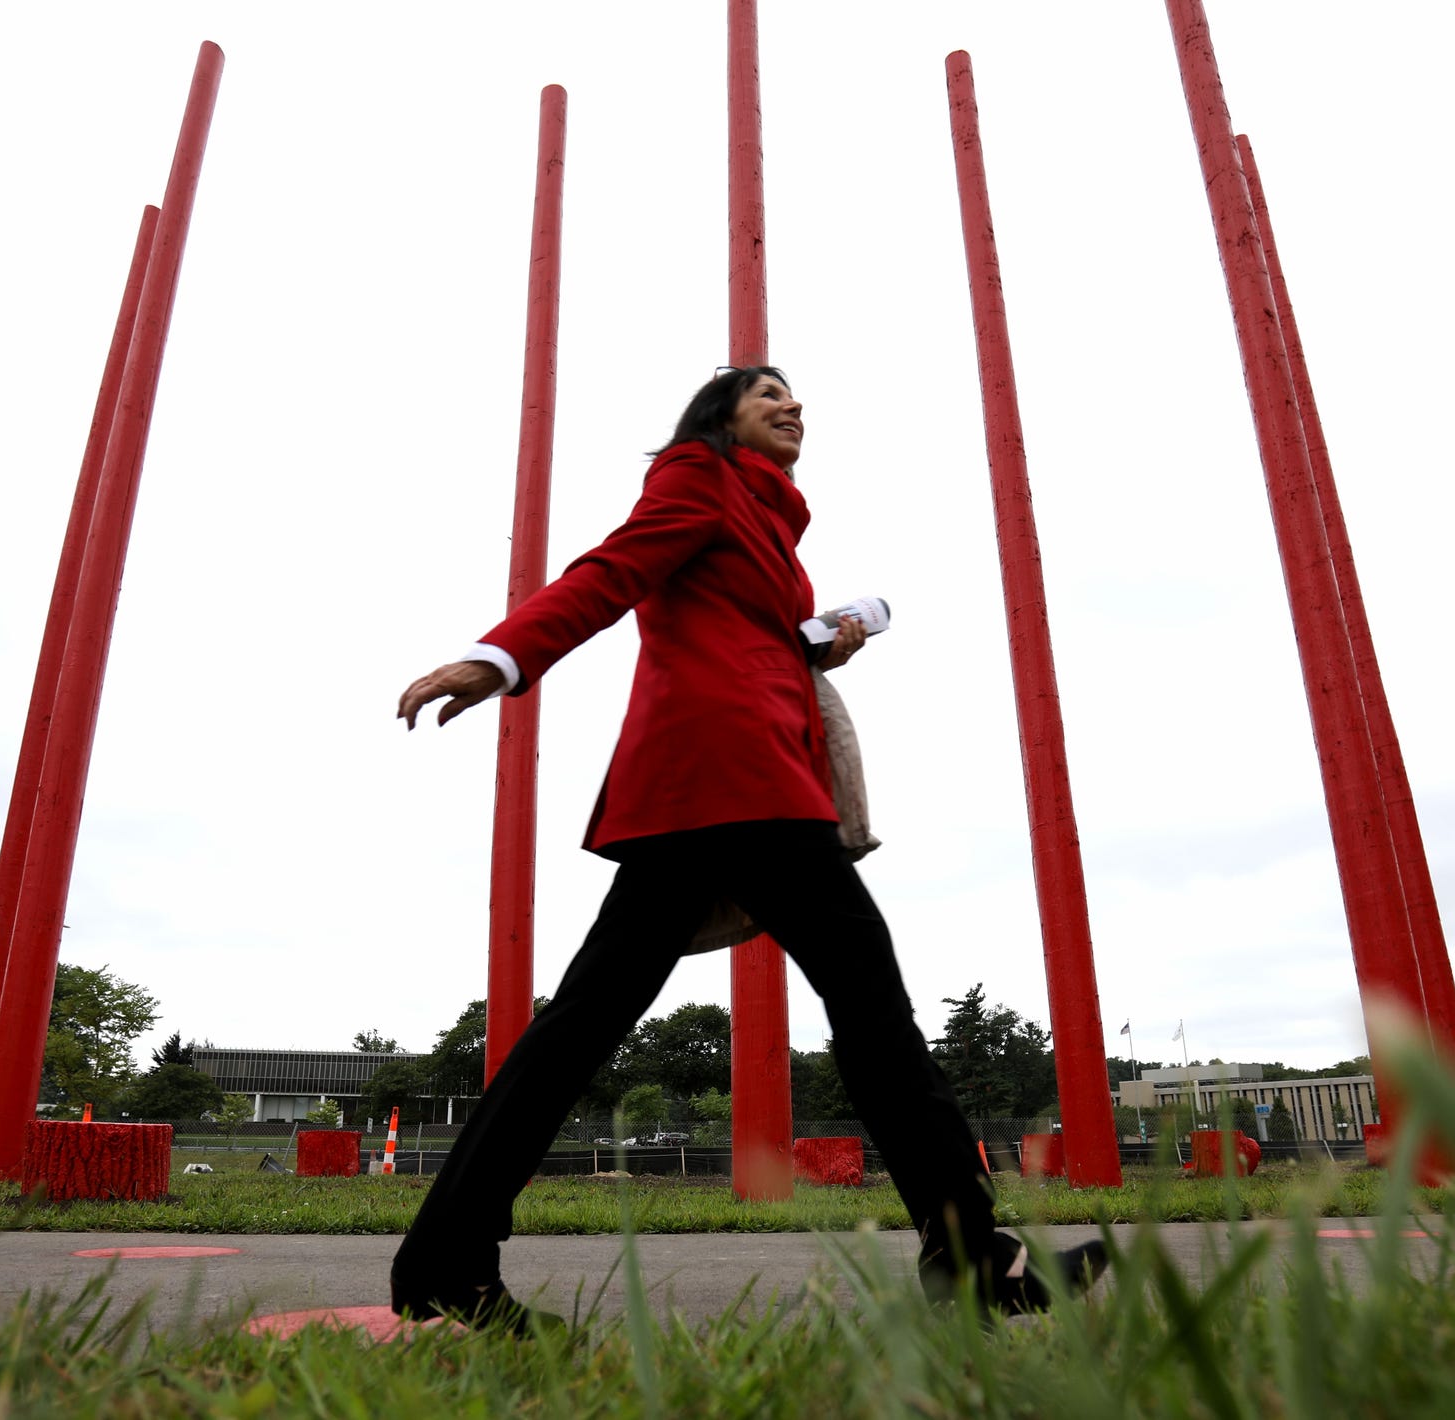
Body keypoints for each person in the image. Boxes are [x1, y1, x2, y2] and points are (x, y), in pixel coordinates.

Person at [392, 365, 1104, 1330]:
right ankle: (974, 1255)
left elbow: (729, 630)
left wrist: (815, 643)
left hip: (728, 780)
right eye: (768, 393)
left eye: (796, 395)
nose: (792, 404)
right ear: (717, 419)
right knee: (870, 1010)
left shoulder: (772, 524)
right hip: (737, 779)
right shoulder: (699, 476)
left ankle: (447, 1258)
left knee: (583, 1026)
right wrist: (502, 657)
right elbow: (611, 573)